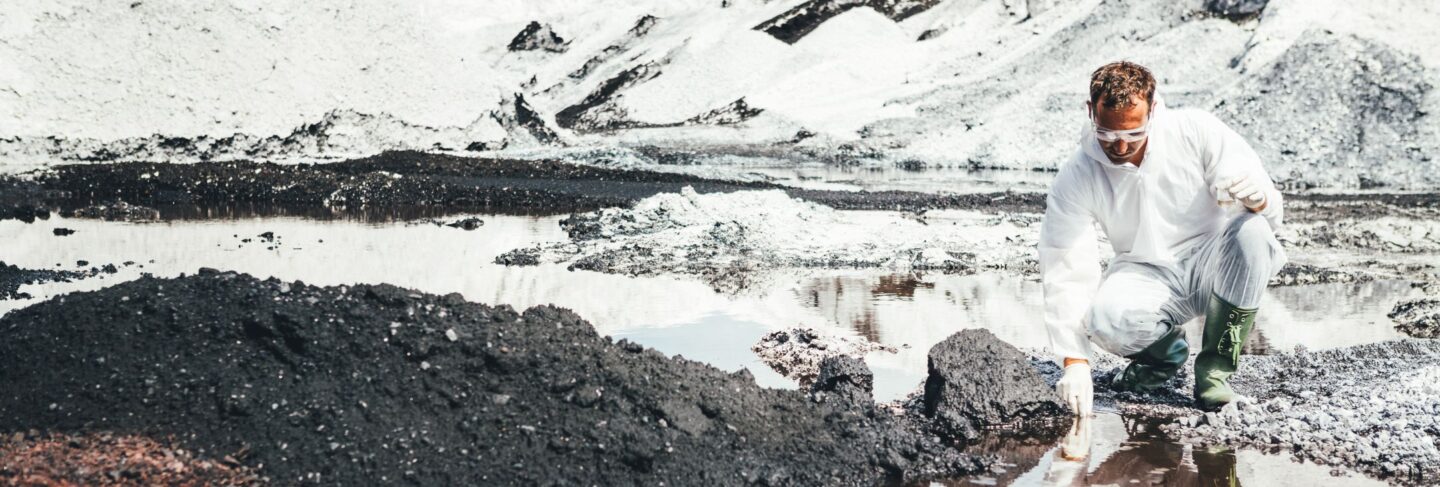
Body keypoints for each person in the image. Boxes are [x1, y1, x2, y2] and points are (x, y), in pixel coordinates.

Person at [1039, 61, 1286, 415]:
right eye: (1107, 136)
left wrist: (1259, 198)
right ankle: (1163, 357)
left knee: (1254, 230)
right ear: (1090, 111)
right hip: (1144, 272)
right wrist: (1075, 362)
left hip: (1213, 266)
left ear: (1153, 111)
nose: (1120, 147)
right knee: (1106, 321)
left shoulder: (1196, 131)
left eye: (1133, 135)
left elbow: (1271, 213)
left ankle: (1214, 374)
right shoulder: (1077, 174)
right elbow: (1065, 265)